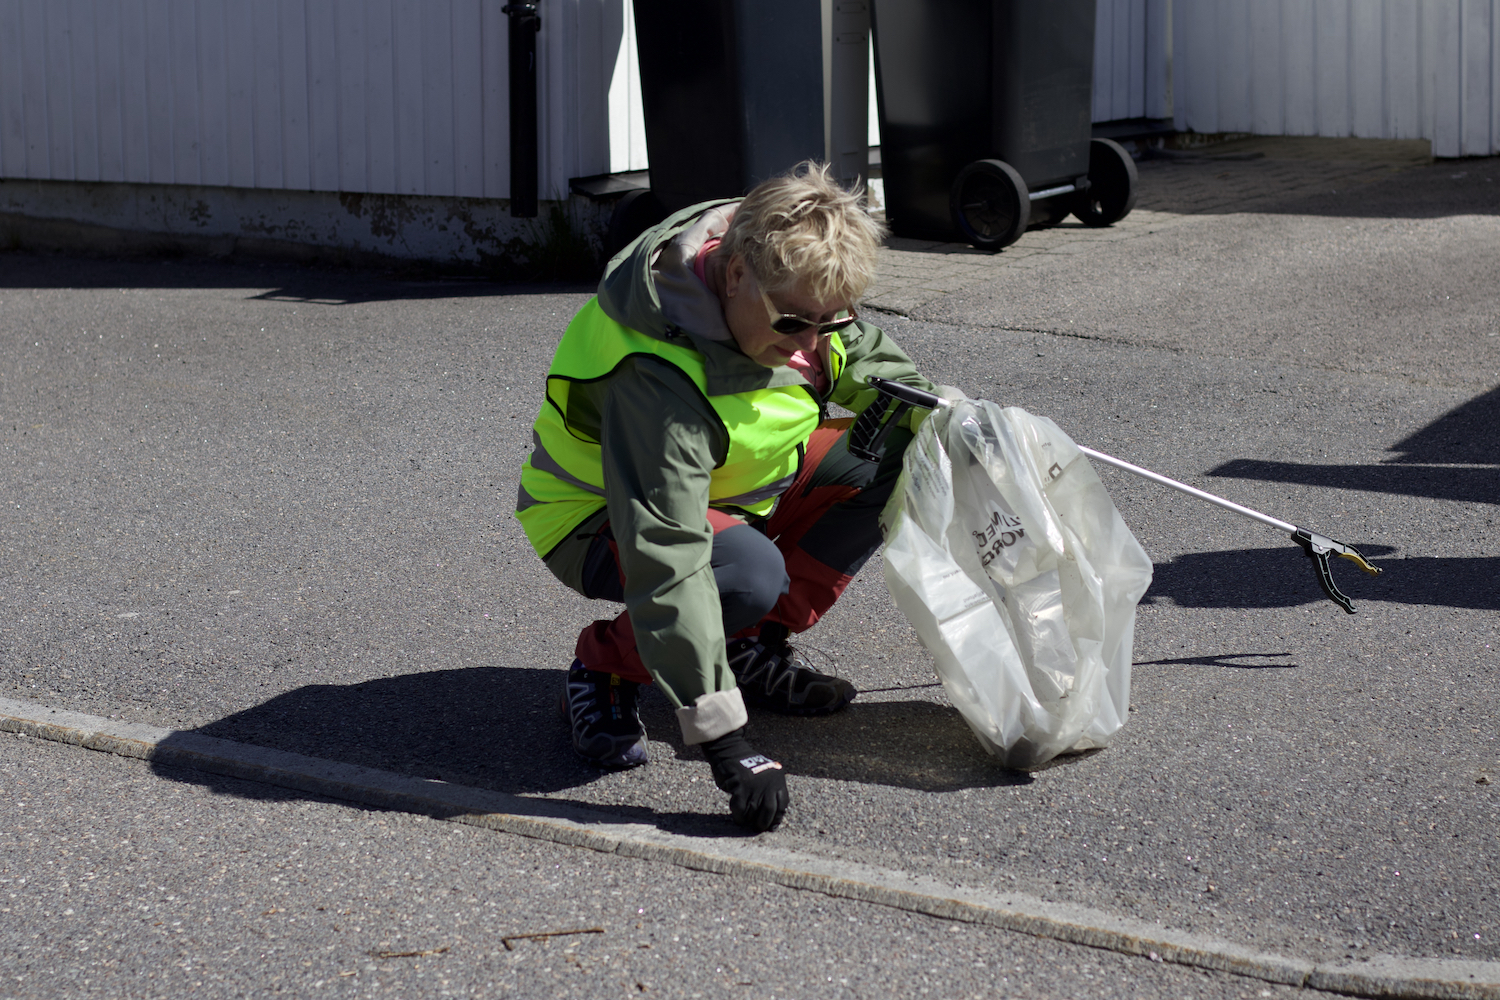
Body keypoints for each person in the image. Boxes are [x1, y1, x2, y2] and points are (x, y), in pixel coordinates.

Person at [516, 161, 938, 831]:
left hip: (732, 495)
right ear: (735, 274)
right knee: (744, 574)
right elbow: (667, 553)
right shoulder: (655, 374)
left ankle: (745, 646)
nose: (809, 346)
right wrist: (725, 740)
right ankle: (605, 668)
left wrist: (957, 423)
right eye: (794, 323)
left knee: (903, 449)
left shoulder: (791, 288)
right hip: (599, 517)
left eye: (830, 321)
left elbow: (870, 366)